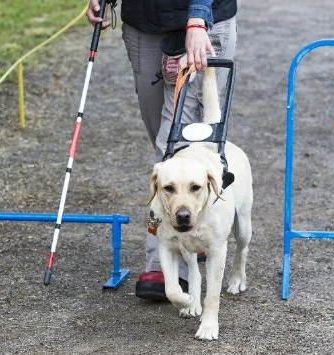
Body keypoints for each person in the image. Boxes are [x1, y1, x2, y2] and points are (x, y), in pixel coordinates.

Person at [87, 0, 237, 300]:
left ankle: (164, 263)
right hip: (143, 22)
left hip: (202, 22)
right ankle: (195, 222)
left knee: (171, 146)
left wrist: (197, 19)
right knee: (159, 133)